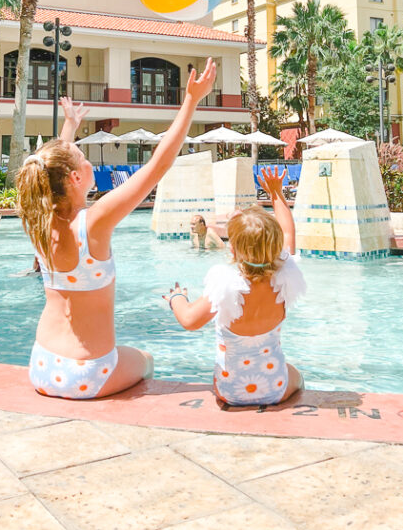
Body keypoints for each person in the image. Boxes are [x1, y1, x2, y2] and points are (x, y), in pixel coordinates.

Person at [18, 66, 218, 400]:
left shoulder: (39, 223)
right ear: (74, 179)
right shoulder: (94, 222)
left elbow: (48, 170)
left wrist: (70, 126)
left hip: (41, 365)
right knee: (147, 361)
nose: (90, 164)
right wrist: (190, 101)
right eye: (83, 158)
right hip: (87, 374)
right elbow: (158, 165)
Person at [164, 167, 306, 407]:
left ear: (232, 249)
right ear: (276, 247)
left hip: (229, 390)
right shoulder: (285, 276)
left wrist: (176, 298)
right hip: (276, 388)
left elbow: (189, 320)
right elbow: (288, 231)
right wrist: (275, 193)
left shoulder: (226, 287)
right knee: (296, 375)